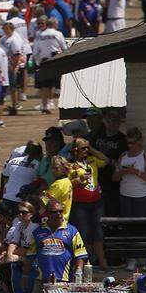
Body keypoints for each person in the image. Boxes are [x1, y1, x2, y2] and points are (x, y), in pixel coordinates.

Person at [68, 137, 111, 270]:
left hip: (96, 202)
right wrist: (79, 179)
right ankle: (84, 262)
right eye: (83, 148)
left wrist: (92, 148)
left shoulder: (91, 160)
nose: (86, 151)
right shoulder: (70, 165)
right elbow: (67, 183)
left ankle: (102, 261)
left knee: (98, 232)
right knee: (84, 233)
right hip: (80, 204)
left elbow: (106, 160)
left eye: (87, 148)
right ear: (75, 150)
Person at [26, 199, 88, 284]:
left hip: (64, 281)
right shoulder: (37, 232)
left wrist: (78, 272)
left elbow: (80, 255)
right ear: (47, 213)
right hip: (41, 280)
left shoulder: (72, 231)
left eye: (60, 211)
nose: (58, 214)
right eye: (54, 212)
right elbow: (30, 255)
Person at [89, 110, 128, 218]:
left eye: (116, 121)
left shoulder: (122, 140)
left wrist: (105, 159)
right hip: (97, 182)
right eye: (110, 121)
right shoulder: (97, 136)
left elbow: (118, 163)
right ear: (104, 121)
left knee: (113, 214)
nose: (113, 123)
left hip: (113, 185)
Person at [114, 127, 146, 218]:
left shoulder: (145, 155)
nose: (130, 146)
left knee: (140, 226)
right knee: (126, 225)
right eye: (128, 143)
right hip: (125, 195)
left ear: (140, 141)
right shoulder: (124, 155)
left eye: (133, 143)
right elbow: (114, 178)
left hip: (142, 197)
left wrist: (137, 173)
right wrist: (123, 172)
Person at [31, 18, 67, 113]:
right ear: (55, 24)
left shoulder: (41, 35)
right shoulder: (58, 34)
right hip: (55, 59)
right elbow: (64, 47)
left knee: (44, 84)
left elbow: (36, 51)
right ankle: (50, 102)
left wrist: (37, 61)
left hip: (44, 60)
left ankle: (44, 104)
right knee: (52, 84)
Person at [2, 202, 39, 293]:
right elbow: (13, 242)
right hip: (20, 259)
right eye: (18, 212)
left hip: (32, 261)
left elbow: (24, 250)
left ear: (31, 214)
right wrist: (9, 255)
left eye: (24, 212)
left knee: (28, 291)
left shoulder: (33, 228)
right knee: (18, 291)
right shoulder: (19, 225)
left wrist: (9, 255)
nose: (20, 214)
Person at [0, 22, 29, 115]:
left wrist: (13, 67)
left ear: (11, 29)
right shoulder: (3, 38)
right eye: (4, 29)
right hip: (4, 65)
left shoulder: (14, 39)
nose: (5, 31)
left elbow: (17, 55)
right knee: (7, 85)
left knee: (13, 87)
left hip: (12, 65)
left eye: (7, 29)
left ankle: (14, 106)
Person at [46, 157, 76, 222]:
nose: (53, 171)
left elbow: (46, 202)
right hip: (64, 219)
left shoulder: (59, 184)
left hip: (55, 221)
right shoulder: (67, 180)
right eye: (52, 168)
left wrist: (39, 195)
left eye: (56, 168)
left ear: (64, 169)